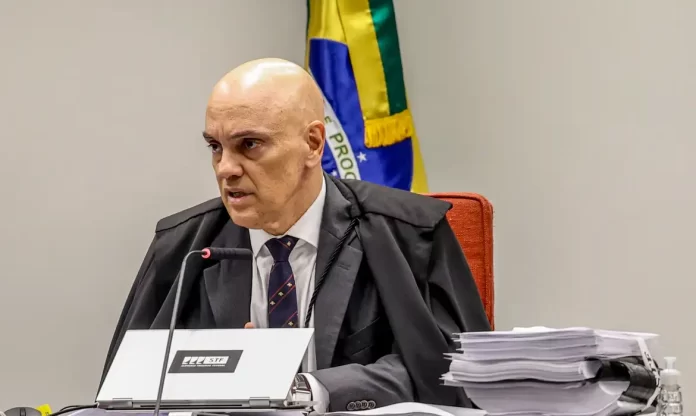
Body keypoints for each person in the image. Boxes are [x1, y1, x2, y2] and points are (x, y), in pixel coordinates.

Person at [100, 58, 490, 412]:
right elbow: (122, 391)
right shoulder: (184, 247)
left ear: (313, 144)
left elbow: (455, 374)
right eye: (215, 147)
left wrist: (309, 389)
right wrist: (225, 377)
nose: (225, 168)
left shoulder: (407, 234)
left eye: (249, 145)